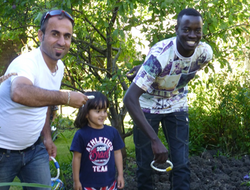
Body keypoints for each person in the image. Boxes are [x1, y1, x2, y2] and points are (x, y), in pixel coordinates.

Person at [123, 8, 213, 190]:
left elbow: (179, 71)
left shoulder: (204, 54)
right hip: (147, 107)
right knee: (145, 165)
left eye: (198, 30)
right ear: (176, 29)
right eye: (186, 29)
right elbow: (129, 99)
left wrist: (147, 69)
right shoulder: (159, 56)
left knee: (181, 163)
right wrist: (155, 140)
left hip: (177, 105)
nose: (192, 35)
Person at [0, 10, 90, 190]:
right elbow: (19, 93)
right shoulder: (26, 62)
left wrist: (47, 138)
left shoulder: (60, 67)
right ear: (41, 35)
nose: (62, 42)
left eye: (67, 36)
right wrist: (67, 97)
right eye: (55, 34)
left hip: (34, 150)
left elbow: (45, 102)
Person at [70, 91, 125, 190]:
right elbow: (76, 158)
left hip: (109, 183)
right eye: (98, 111)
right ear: (86, 113)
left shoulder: (112, 132)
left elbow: (117, 153)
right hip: (87, 184)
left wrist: (120, 175)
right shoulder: (81, 134)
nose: (103, 114)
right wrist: (76, 180)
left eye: (104, 110)